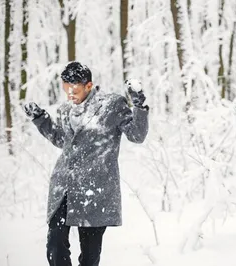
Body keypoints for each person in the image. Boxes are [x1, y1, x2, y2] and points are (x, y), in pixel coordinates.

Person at [23, 62, 149, 266]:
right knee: (55, 244)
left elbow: (137, 135)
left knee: (89, 257)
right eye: (66, 89)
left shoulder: (112, 105)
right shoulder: (65, 110)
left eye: (74, 89)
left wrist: (139, 106)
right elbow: (62, 140)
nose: (69, 94)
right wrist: (41, 119)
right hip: (64, 187)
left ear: (89, 86)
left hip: (95, 191)